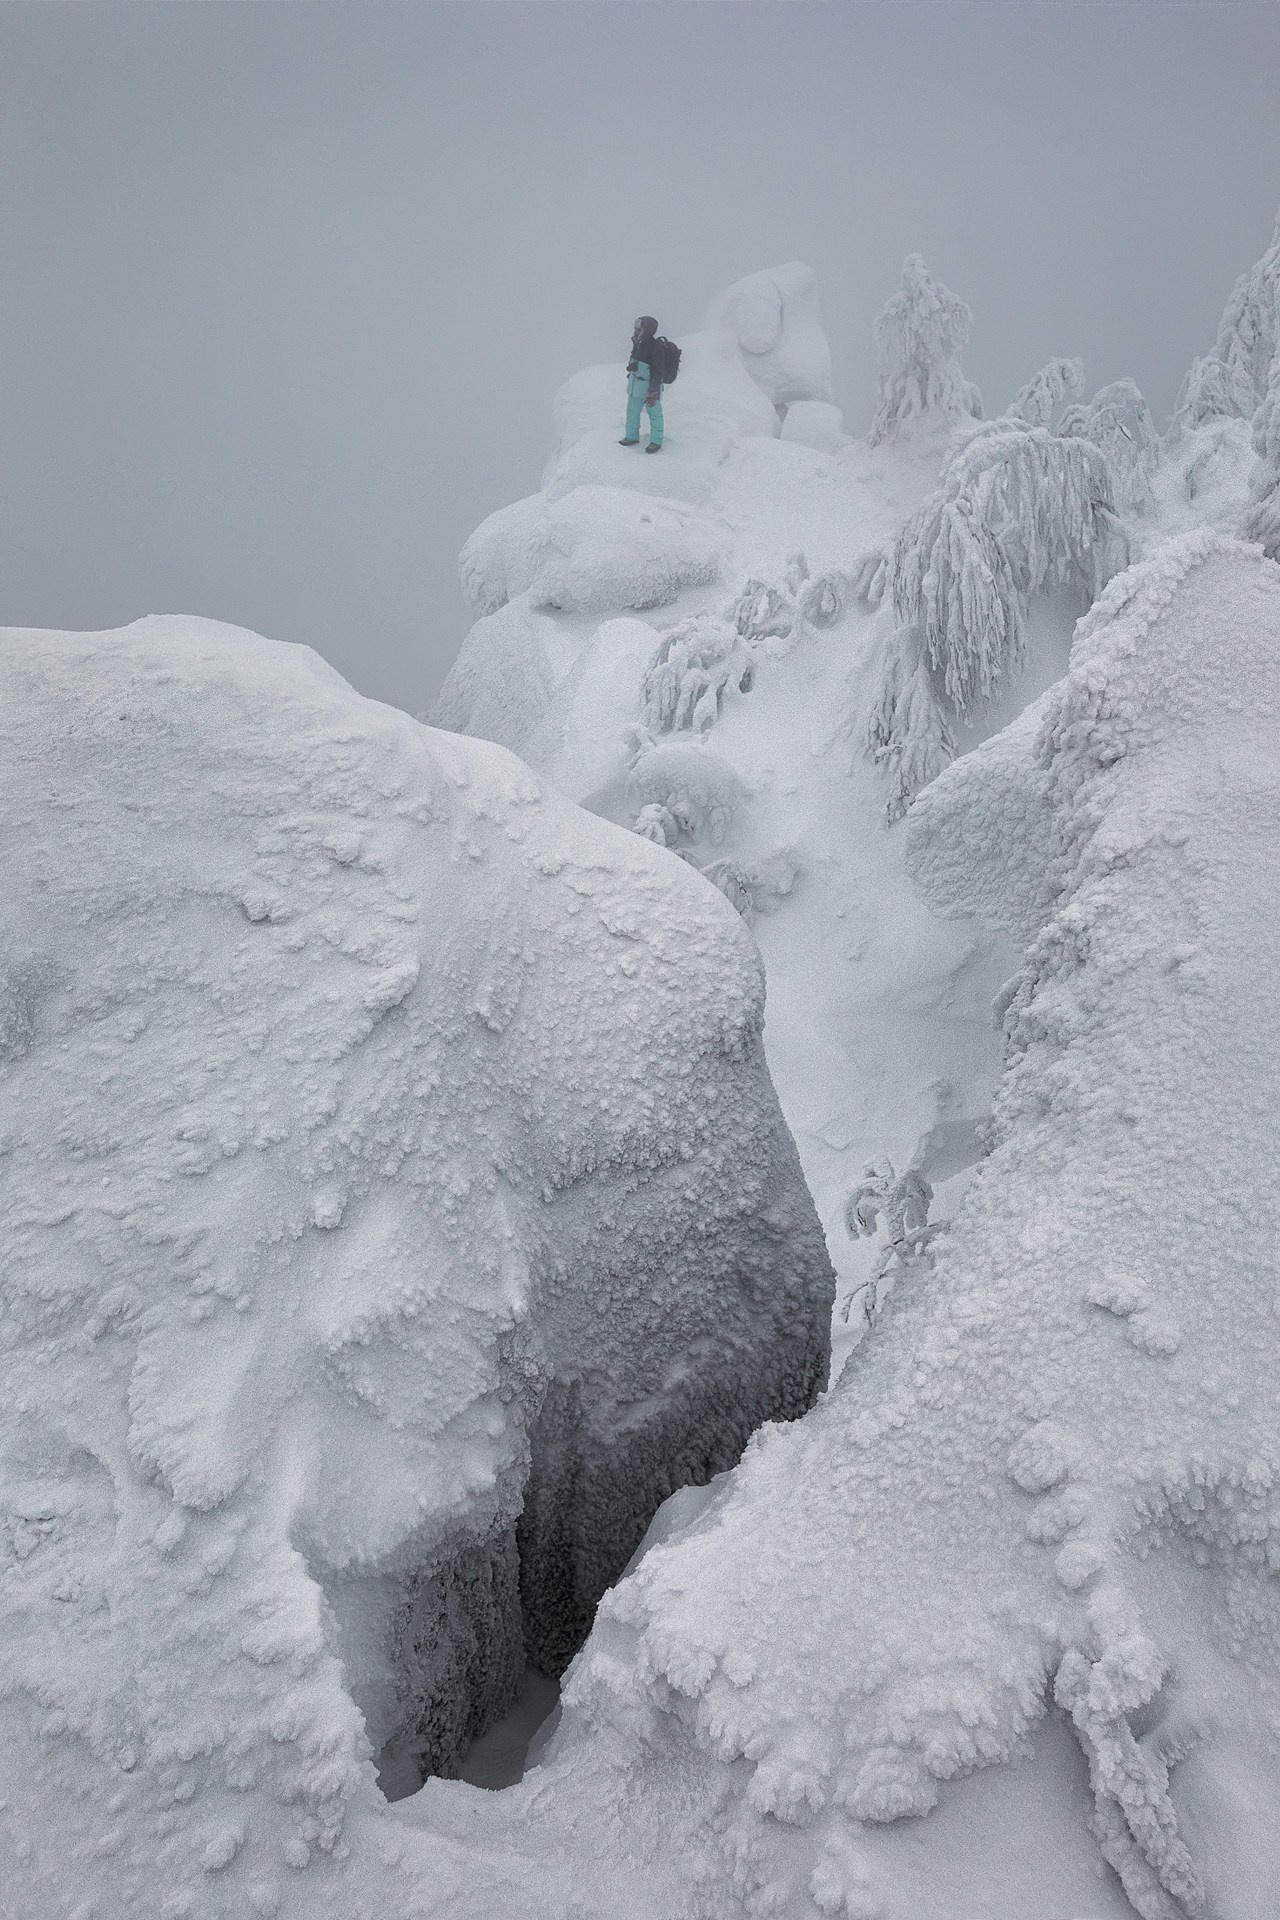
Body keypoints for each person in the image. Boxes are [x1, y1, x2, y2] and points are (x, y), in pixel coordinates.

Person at [620, 315, 664, 452]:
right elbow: (635, 359)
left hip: (649, 387)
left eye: (638, 328)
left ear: (647, 330)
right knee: (632, 411)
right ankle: (631, 436)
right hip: (635, 386)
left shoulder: (656, 347)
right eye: (635, 328)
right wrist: (632, 368)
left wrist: (653, 391)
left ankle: (656, 441)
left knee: (655, 414)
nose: (635, 330)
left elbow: (658, 371)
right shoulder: (637, 343)